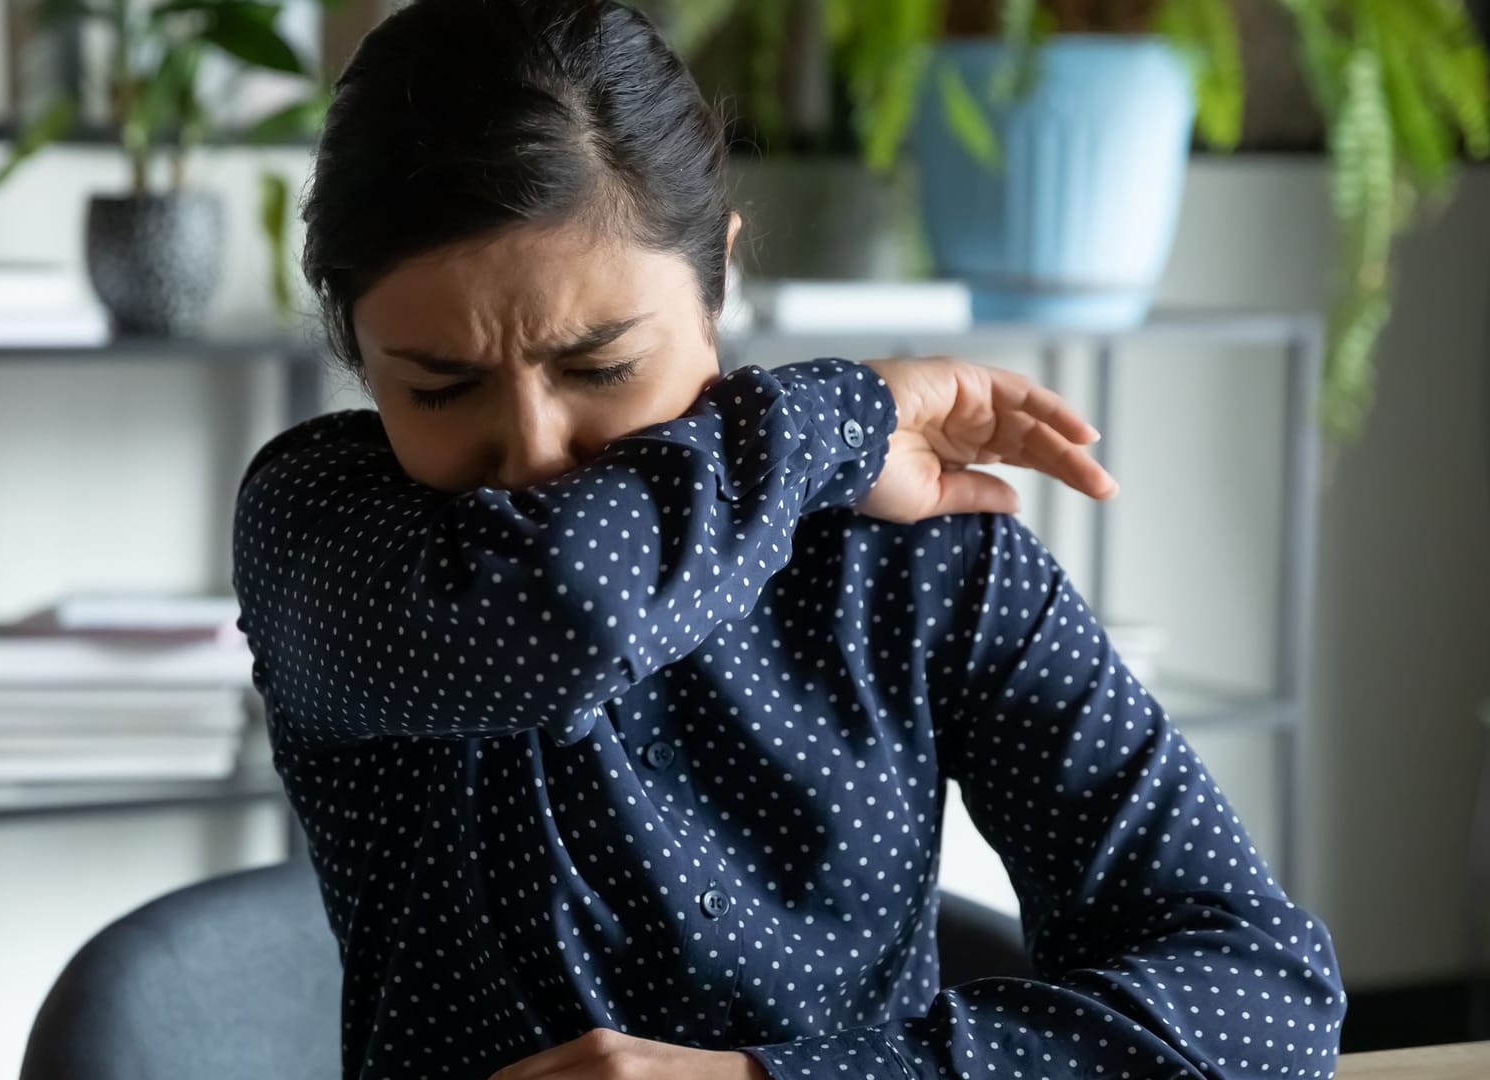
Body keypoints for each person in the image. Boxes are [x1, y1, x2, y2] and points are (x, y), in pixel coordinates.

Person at [232, 1, 1346, 1077]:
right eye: (441, 387)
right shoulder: (325, 524)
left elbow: (1263, 992)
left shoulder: (914, 554)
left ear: (721, 272)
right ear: (356, 350)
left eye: (600, 368)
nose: (532, 452)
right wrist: (849, 410)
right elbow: (564, 613)